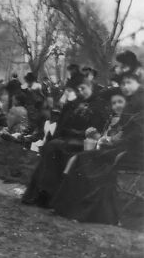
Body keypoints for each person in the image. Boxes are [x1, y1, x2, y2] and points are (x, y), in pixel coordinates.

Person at [51, 76, 144, 226]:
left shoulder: (140, 109)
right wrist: (111, 140)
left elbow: (134, 137)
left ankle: (78, 210)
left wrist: (113, 141)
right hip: (122, 148)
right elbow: (126, 132)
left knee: (85, 160)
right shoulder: (135, 109)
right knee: (83, 158)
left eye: (129, 84)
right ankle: (65, 206)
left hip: (133, 155)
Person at [22, 74, 109, 207]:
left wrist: (74, 132)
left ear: (90, 86)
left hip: (86, 142)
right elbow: (67, 123)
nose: (81, 92)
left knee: (55, 147)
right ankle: (41, 193)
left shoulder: (99, 105)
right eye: (78, 89)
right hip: (70, 139)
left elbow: (95, 130)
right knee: (51, 147)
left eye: (83, 88)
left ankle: (47, 194)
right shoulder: (77, 103)